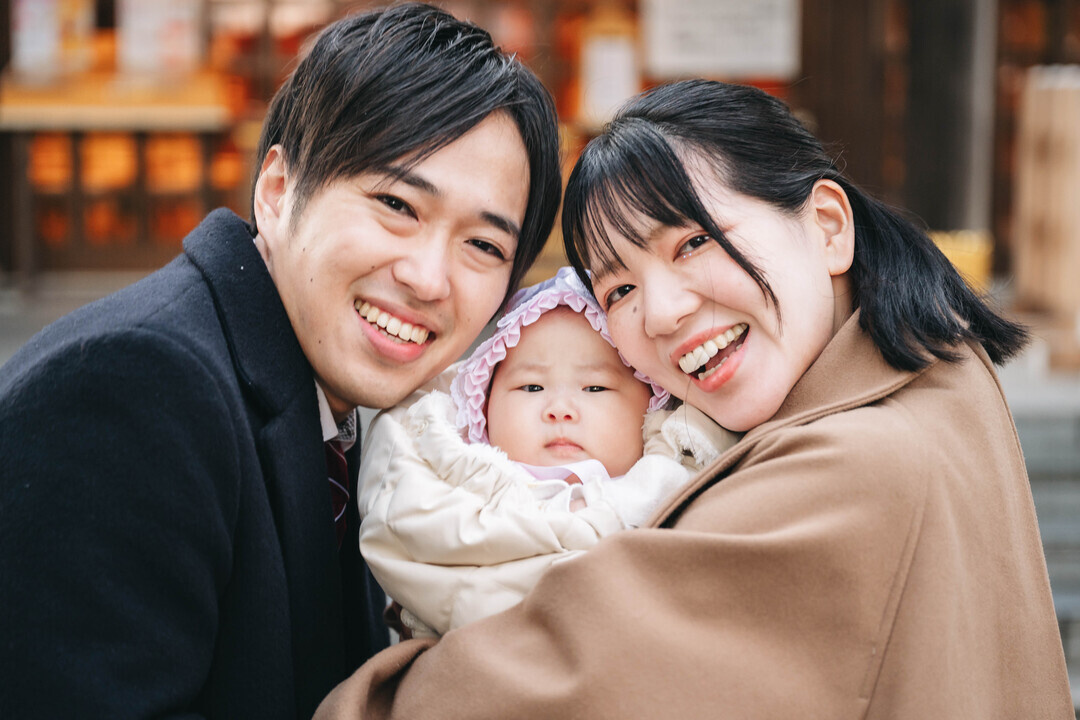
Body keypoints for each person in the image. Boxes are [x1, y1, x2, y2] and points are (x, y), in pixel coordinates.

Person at [315, 79, 1074, 718]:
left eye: (692, 242)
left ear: (828, 227)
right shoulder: (933, 374)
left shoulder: (853, 467)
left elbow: (568, 681)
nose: (662, 313)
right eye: (618, 288)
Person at [0, 4, 560, 718]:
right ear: (276, 189)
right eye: (397, 204)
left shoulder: (354, 413)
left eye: (483, 245)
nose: (428, 279)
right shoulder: (133, 389)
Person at [357, 267, 737, 638]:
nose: (559, 409)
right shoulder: (452, 491)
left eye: (595, 388)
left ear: (652, 406)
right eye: (532, 387)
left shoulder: (675, 483)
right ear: (482, 408)